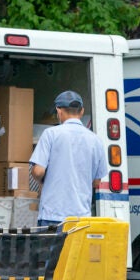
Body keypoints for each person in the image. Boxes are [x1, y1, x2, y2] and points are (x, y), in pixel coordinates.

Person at [29, 90, 107, 227]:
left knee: (52, 249)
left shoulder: (50, 134)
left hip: (52, 216)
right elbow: (96, 182)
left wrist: (41, 179)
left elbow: (38, 171)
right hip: (81, 218)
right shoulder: (96, 141)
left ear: (59, 112)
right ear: (81, 111)